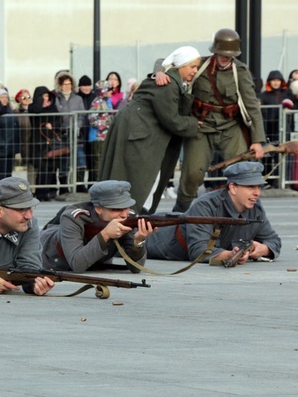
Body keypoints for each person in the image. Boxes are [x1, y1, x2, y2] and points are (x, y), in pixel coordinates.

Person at [155, 29, 266, 212]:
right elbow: (164, 61)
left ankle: (244, 214)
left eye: (229, 54)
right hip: (201, 127)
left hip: (230, 127)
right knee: (192, 174)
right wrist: (159, 73)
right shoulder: (200, 65)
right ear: (215, 50)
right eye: (221, 53)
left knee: (242, 172)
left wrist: (257, 140)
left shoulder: (240, 71)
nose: (225, 57)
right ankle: (180, 212)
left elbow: (252, 106)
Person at [99, 46, 202, 213]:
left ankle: (136, 214)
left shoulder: (171, 79)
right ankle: (134, 215)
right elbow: (172, 120)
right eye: (192, 67)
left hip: (138, 130)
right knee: (144, 179)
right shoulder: (168, 85)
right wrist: (193, 124)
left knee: (146, 178)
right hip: (139, 134)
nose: (195, 71)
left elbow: (162, 61)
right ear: (181, 66)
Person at [146, 162, 281, 264]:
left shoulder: (255, 208)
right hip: (160, 239)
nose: (257, 192)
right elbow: (198, 250)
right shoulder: (207, 205)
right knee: (127, 239)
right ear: (233, 188)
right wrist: (230, 255)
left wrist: (261, 249)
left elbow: (274, 240)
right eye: (250, 187)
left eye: (258, 186)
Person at [40, 181, 154, 273]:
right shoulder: (75, 217)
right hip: (48, 256)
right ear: (98, 208)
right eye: (116, 209)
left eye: (127, 207)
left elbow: (136, 268)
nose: (124, 214)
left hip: (93, 264)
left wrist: (138, 241)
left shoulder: (128, 217)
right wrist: (105, 235)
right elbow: (77, 265)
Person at [0, 88, 20, 183]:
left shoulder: (10, 111)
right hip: (1, 147)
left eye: (6, 97)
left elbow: (16, 129)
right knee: (0, 173)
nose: (4, 99)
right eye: (2, 97)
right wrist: (1, 142)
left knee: (8, 173)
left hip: (11, 147)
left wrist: (16, 146)